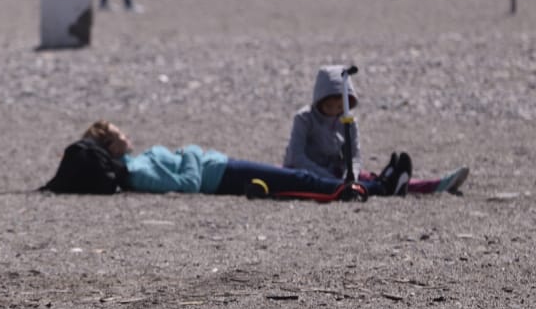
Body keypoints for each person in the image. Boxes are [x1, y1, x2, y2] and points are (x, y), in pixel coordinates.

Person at [61, 121, 401, 198]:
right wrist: (191, 151)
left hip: (221, 169)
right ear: (110, 143)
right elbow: (187, 185)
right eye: (119, 133)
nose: (127, 134)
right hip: (218, 176)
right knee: (298, 180)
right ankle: (376, 187)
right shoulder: (134, 173)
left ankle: (375, 183)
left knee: (294, 178)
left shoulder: (135, 162)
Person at [284, 66, 468, 196]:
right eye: (330, 105)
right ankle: (389, 185)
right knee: (368, 184)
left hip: (336, 172)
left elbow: (354, 155)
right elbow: (297, 157)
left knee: (370, 178)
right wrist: (329, 177)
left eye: (340, 105)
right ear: (319, 100)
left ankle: (434, 185)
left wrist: (351, 176)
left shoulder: (348, 121)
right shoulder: (304, 118)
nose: (335, 110)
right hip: (307, 173)